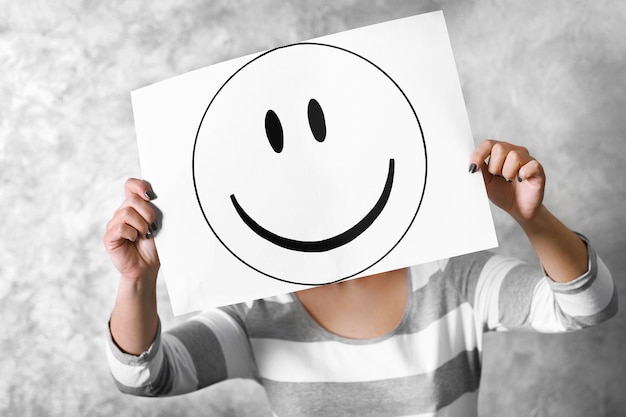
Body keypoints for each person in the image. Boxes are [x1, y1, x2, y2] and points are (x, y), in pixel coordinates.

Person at [103, 140, 617, 416]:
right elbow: (143, 377)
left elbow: (588, 306)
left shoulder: (453, 278)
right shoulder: (255, 313)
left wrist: (532, 217)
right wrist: (138, 280)